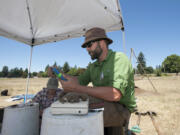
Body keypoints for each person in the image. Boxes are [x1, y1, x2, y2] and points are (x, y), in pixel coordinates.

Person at [54, 27, 137, 135]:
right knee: (68, 100)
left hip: (121, 108)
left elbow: (115, 94)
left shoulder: (119, 59)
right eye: (85, 47)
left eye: (89, 45)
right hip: (103, 103)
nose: (87, 49)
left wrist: (76, 88)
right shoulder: (93, 66)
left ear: (102, 43)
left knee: (77, 111)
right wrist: (60, 74)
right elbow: (78, 81)